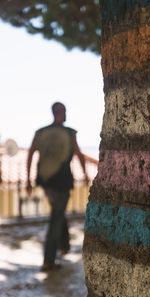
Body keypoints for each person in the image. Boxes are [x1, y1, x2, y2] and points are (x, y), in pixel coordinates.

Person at [26, 101, 89, 271]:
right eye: (65, 111)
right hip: (61, 181)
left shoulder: (41, 132)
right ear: (59, 112)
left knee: (58, 211)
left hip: (45, 180)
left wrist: (29, 179)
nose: (66, 114)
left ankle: (65, 245)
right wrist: (85, 174)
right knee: (56, 217)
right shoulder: (69, 133)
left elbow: (31, 154)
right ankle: (48, 260)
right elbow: (79, 154)